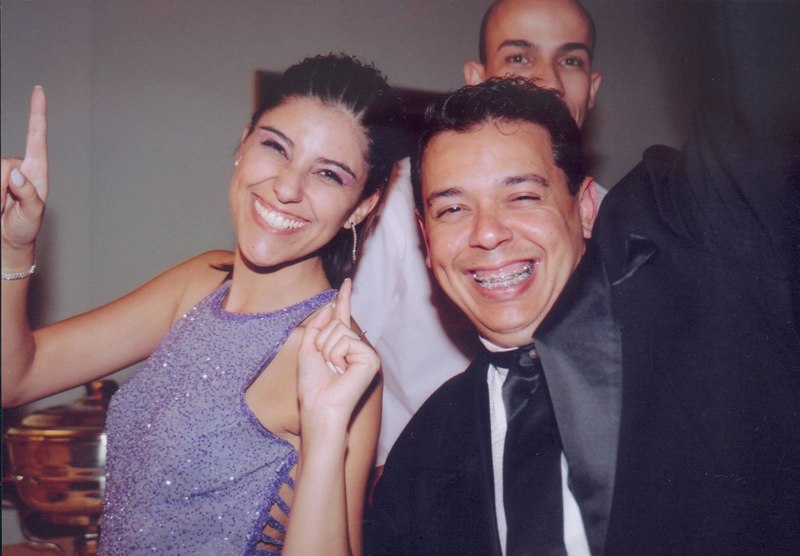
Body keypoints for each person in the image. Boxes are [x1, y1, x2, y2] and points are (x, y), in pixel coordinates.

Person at [365, 2, 800, 555]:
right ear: (426, 241)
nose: (488, 233)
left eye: (523, 196)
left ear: (588, 208)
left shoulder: (699, 332)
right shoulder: (419, 458)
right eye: (452, 209)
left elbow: (755, 106)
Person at [1, 54, 405, 555]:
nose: (286, 187)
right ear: (243, 143)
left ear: (362, 206)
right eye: (276, 147)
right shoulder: (201, 282)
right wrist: (13, 247)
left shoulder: (335, 359)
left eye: (328, 174)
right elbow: (16, 378)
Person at [353, 0, 605, 465]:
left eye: (570, 60)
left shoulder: (622, 221)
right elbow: (346, 346)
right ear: (477, 78)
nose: (547, 80)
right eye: (519, 57)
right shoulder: (397, 199)